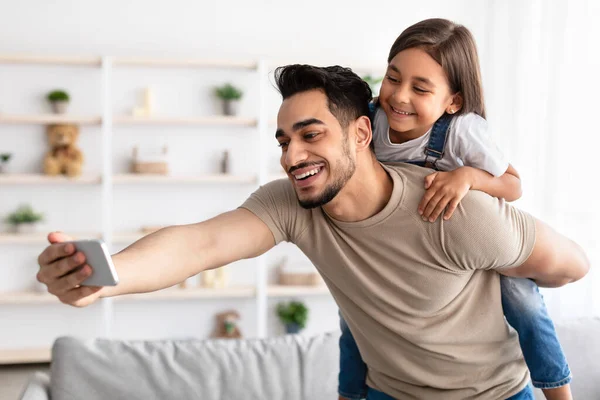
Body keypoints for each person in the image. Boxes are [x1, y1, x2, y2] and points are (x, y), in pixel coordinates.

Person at [36, 64, 589, 400]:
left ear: (361, 133)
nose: (292, 156)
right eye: (283, 141)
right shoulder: (296, 205)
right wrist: (107, 279)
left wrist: (510, 284)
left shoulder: (452, 209)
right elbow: (200, 243)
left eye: (310, 135)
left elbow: (572, 265)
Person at [338, 18, 574, 400]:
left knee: (523, 303)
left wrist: (468, 177)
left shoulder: (463, 131)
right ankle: (350, 393)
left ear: (453, 101)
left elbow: (513, 185)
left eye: (420, 88)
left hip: (482, 247)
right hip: (409, 247)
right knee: (353, 314)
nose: (399, 97)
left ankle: (558, 390)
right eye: (393, 78)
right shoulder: (371, 122)